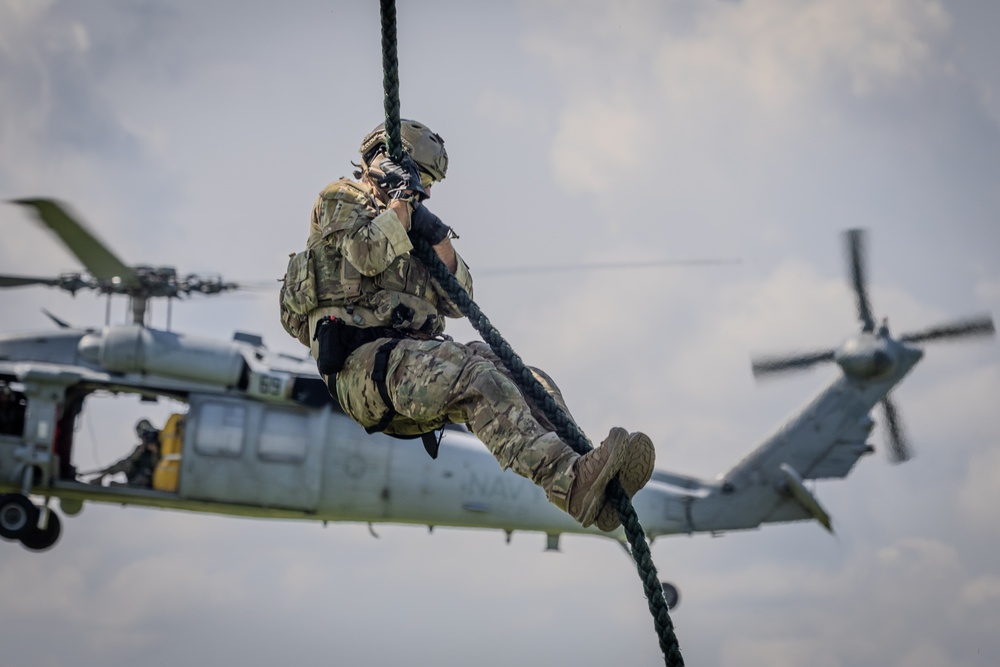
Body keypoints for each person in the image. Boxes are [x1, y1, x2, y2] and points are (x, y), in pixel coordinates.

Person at [280, 119, 655, 531]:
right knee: (479, 378)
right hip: (365, 369)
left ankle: (588, 474)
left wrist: (438, 237)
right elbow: (366, 254)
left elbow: (459, 300)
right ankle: (569, 483)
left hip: (413, 365)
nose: (426, 190)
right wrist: (400, 209)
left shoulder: (411, 225)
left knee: (525, 377)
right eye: (422, 177)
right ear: (385, 161)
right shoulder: (340, 197)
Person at [88, 418, 160, 488]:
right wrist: (142, 450)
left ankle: (128, 487)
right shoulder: (141, 449)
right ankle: (102, 477)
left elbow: (157, 464)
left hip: (152, 479)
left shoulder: (162, 444)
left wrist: (155, 451)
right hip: (140, 478)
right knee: (126, 464)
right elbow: (128, 461)